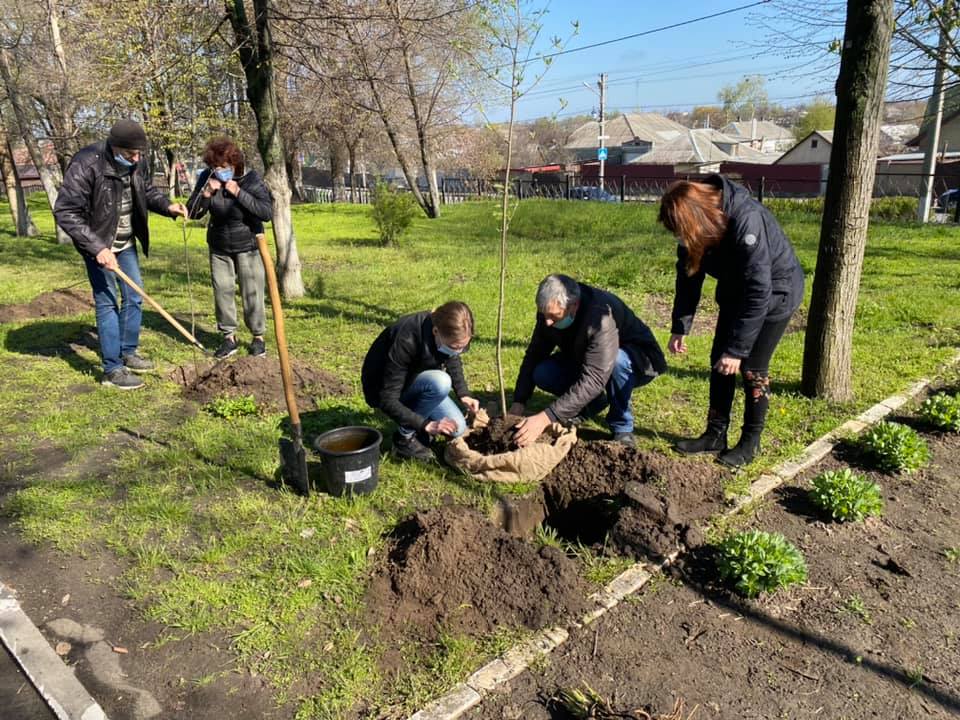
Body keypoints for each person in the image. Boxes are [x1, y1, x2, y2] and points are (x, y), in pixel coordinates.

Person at [659, 174, 804, 467]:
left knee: (752, 368)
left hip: (775, 293)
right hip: (737, 289)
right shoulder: (695, 231)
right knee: (719, 361)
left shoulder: (746, 220)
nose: (680, 238)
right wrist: (680, 326)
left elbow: (758, 289)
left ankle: (750, 442)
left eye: (681, 231)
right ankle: (715, 434)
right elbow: (688, 277)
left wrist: (737, 350)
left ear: (696, 218)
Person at [54, 119, 187, 390]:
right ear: (114, 148)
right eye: (130, 155)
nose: (136, 159)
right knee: (107, 303)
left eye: (139, 154)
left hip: (125, 242)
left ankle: (128, 351)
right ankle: (113, 369)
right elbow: (65, 211)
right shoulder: (86, 164)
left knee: (134, 295)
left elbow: (146, 191)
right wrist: (97, 248)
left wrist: (168, 206)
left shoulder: (138, 161)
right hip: (98, 244)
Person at [509, 274, 666, 448]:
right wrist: (519, 401)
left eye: (554, 316)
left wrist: (546, 417)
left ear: (573, 306)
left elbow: (595, 377)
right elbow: (535, 354)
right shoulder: (550, 310)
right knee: (543, 373)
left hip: (638, 360)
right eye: (544, 315)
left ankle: (622, 427)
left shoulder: (600, 318)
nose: (547, 322)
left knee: (617, 362)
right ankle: (592, 403)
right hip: (586, 356)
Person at [186, 137, 273, 359]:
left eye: (223, 167)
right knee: (222, 291)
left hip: (248, 245)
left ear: (235, 165)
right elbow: (193, 212)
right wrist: (206, 194)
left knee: (251, 291)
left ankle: (258, 337)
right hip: (219, 245)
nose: (219, 171)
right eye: (215, 167)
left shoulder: (251, 179)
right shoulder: (207, 178)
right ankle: (229, 338)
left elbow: (266, 212)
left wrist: (239, 193)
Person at [361, 301, 480, 461]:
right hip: (384, 388)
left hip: (418, 381)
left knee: (457, 429)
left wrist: (464, 393)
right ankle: (404, 439)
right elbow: (386, 399)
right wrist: (424, 424)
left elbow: (452, 357)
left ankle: (418, 422)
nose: (458, 351)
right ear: (436, 331)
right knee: (441, 381)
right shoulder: (406, 338)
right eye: (454, 346)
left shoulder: (445, 336)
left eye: (463, 347)